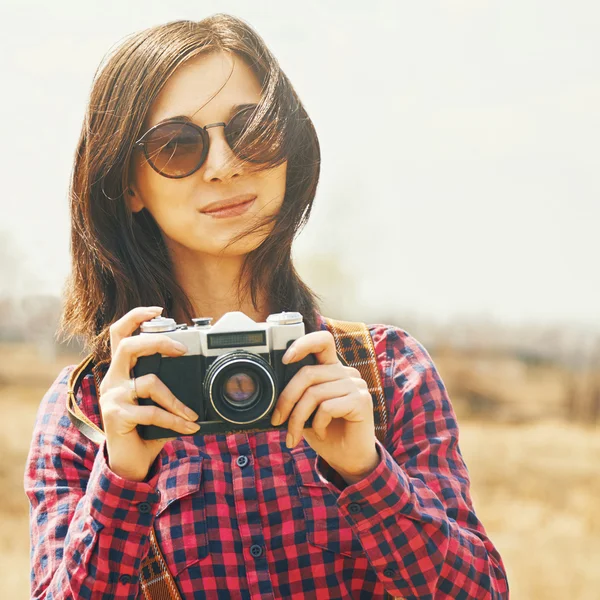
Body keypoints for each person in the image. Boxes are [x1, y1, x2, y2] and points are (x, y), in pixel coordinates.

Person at [24, 14, 509, 600]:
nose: (224, 164)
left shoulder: (387, 373)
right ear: (129, 186)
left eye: (252, 129)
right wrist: (122, 479)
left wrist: (367, 472)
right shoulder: (90, 410)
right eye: (177, 145)